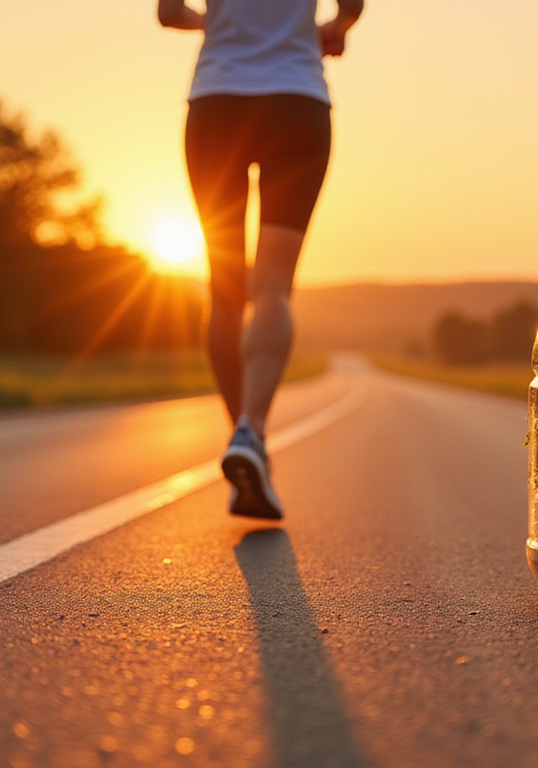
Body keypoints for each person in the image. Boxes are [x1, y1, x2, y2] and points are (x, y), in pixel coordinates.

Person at [158, 0, 363, 519]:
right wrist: (331, 29)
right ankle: (251, 430)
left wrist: (219, 22)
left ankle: (245, 437)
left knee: (224, 291)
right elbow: (352, 6)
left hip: (218, 101)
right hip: (297, 102)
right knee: (271, 286)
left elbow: (167, 12)